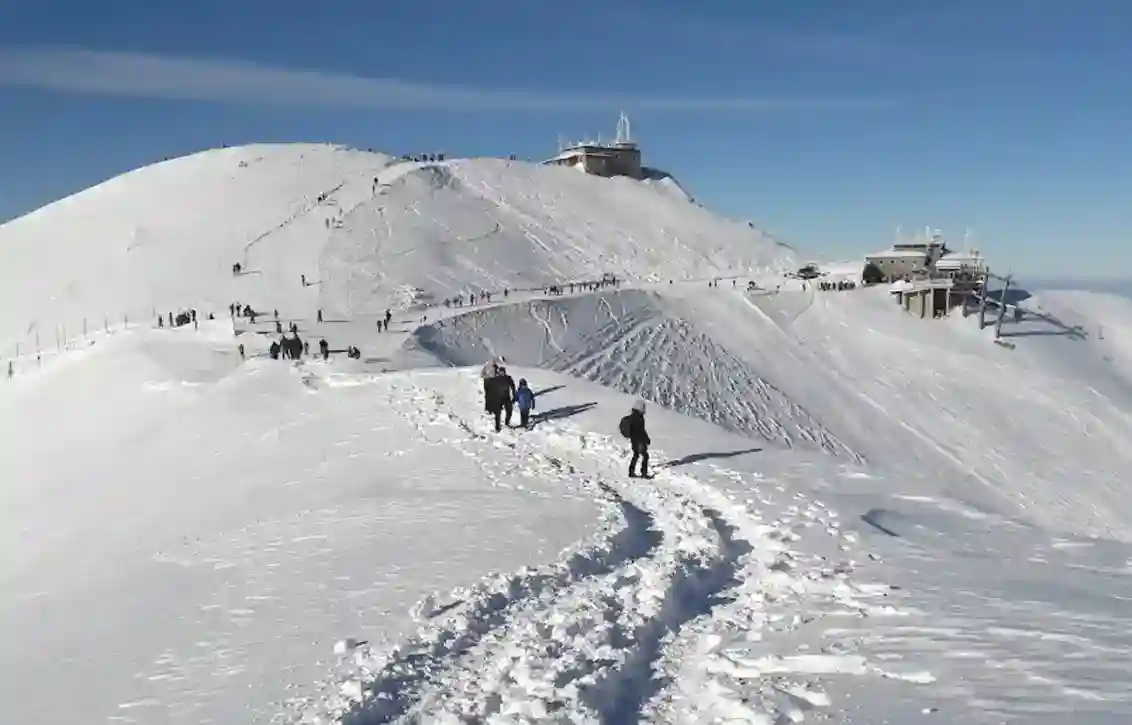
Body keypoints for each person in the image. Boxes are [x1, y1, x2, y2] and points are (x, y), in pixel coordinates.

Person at [621, 399, 652, 478]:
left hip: (634, 440)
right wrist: (646, 439)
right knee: (645, 455)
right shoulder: (639, 417)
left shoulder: (633, 415)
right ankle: (644, 473)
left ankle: (631, 472)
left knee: (636, 455)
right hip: (639, 440)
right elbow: (641, 430)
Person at [485, 367, 516, 432]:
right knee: (497, 413)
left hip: (506, 397)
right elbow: (490, 388)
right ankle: (497, 427)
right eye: (500, 372)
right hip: (497, 398)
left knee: (509, 410)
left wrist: (514, 394)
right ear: (498, 372)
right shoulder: (495, 379)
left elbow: (513, 386)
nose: (502, 373)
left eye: (503, 371)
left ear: (504, 372)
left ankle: (507, 422)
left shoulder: (508, 378)